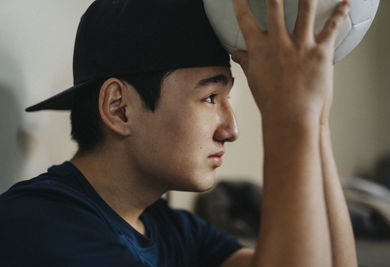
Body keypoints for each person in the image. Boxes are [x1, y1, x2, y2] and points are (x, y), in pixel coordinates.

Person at [0, 0, 358, 266]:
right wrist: (289, 119)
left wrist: (315, 119)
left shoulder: (174, 229)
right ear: (119, 108)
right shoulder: (38, 227)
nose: (231, 130)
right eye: (210, 97)